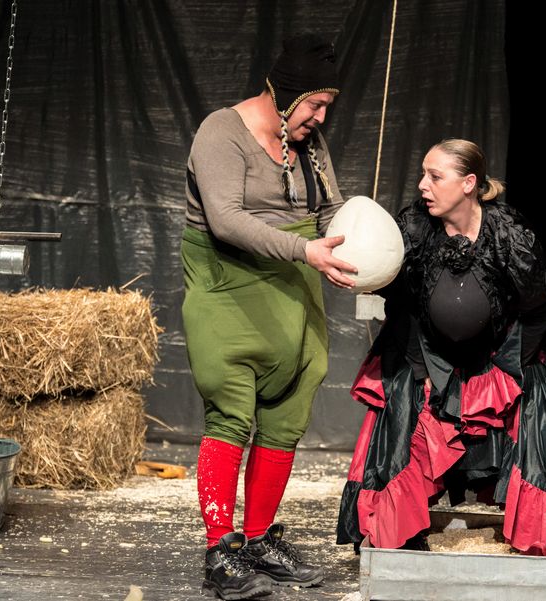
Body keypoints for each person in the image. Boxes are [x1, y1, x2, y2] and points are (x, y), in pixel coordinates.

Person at [336, 139, 546, 557]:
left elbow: (538, 310)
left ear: (468, 183)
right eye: (423, 174)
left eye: (435, 176)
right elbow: (401, 309)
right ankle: (398, 532)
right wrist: (423, 370)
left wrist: (508, 369)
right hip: (427, 352)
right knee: (405, 401)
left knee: (536, 402)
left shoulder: (508, 234)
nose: (423, 185)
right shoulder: (413, 229)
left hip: (503, 353)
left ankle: (538, 534)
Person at [182, 33, 356, 599]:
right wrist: (305, 249)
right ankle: (221, 550)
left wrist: (369, 242)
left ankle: (258, 539)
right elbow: (227, 219)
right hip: (230, 286)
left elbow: (330, 210)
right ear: (286, 94)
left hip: (293, 292)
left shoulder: (309, 143)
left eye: (326, 106)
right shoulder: (221, 131)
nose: (321, 117)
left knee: (287, 413)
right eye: (314, 104)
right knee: (231, 412)